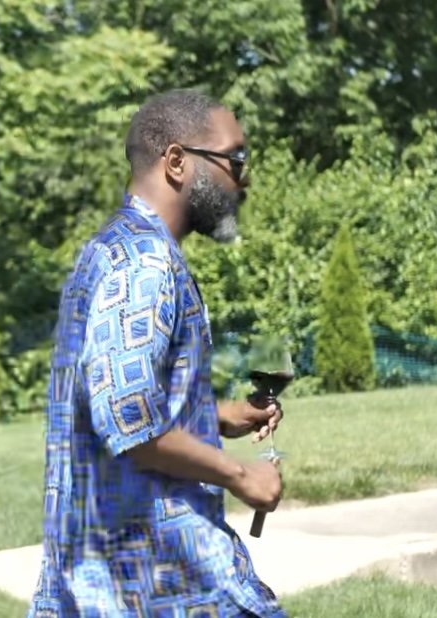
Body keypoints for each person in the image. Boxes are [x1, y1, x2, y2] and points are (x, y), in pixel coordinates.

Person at [28, 89, 287, 617]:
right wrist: (242, 476)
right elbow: (130, 422)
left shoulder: (112, 249)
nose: (245, 177)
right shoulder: (143, 263)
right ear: (176, 162)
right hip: (154, 580)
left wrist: (216, 416)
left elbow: (108, 401)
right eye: (235, 159)